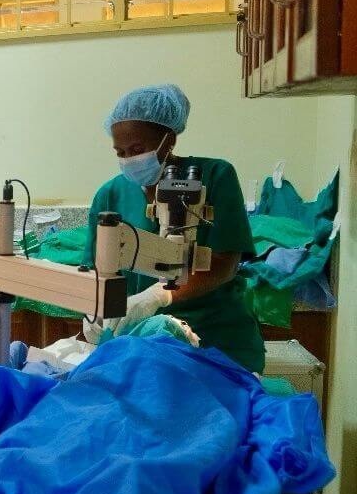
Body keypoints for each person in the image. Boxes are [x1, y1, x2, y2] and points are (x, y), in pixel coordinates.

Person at [83, 84, 265, 373]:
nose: (128, 159)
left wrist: (159, 296)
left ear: (169, 139)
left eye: (138, 149)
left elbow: (224, 264)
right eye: (120, 151)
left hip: (215, 340)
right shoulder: (110, 195)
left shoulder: (217, 176)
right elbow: (96, 271)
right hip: (141, 342)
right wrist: (93, 310)